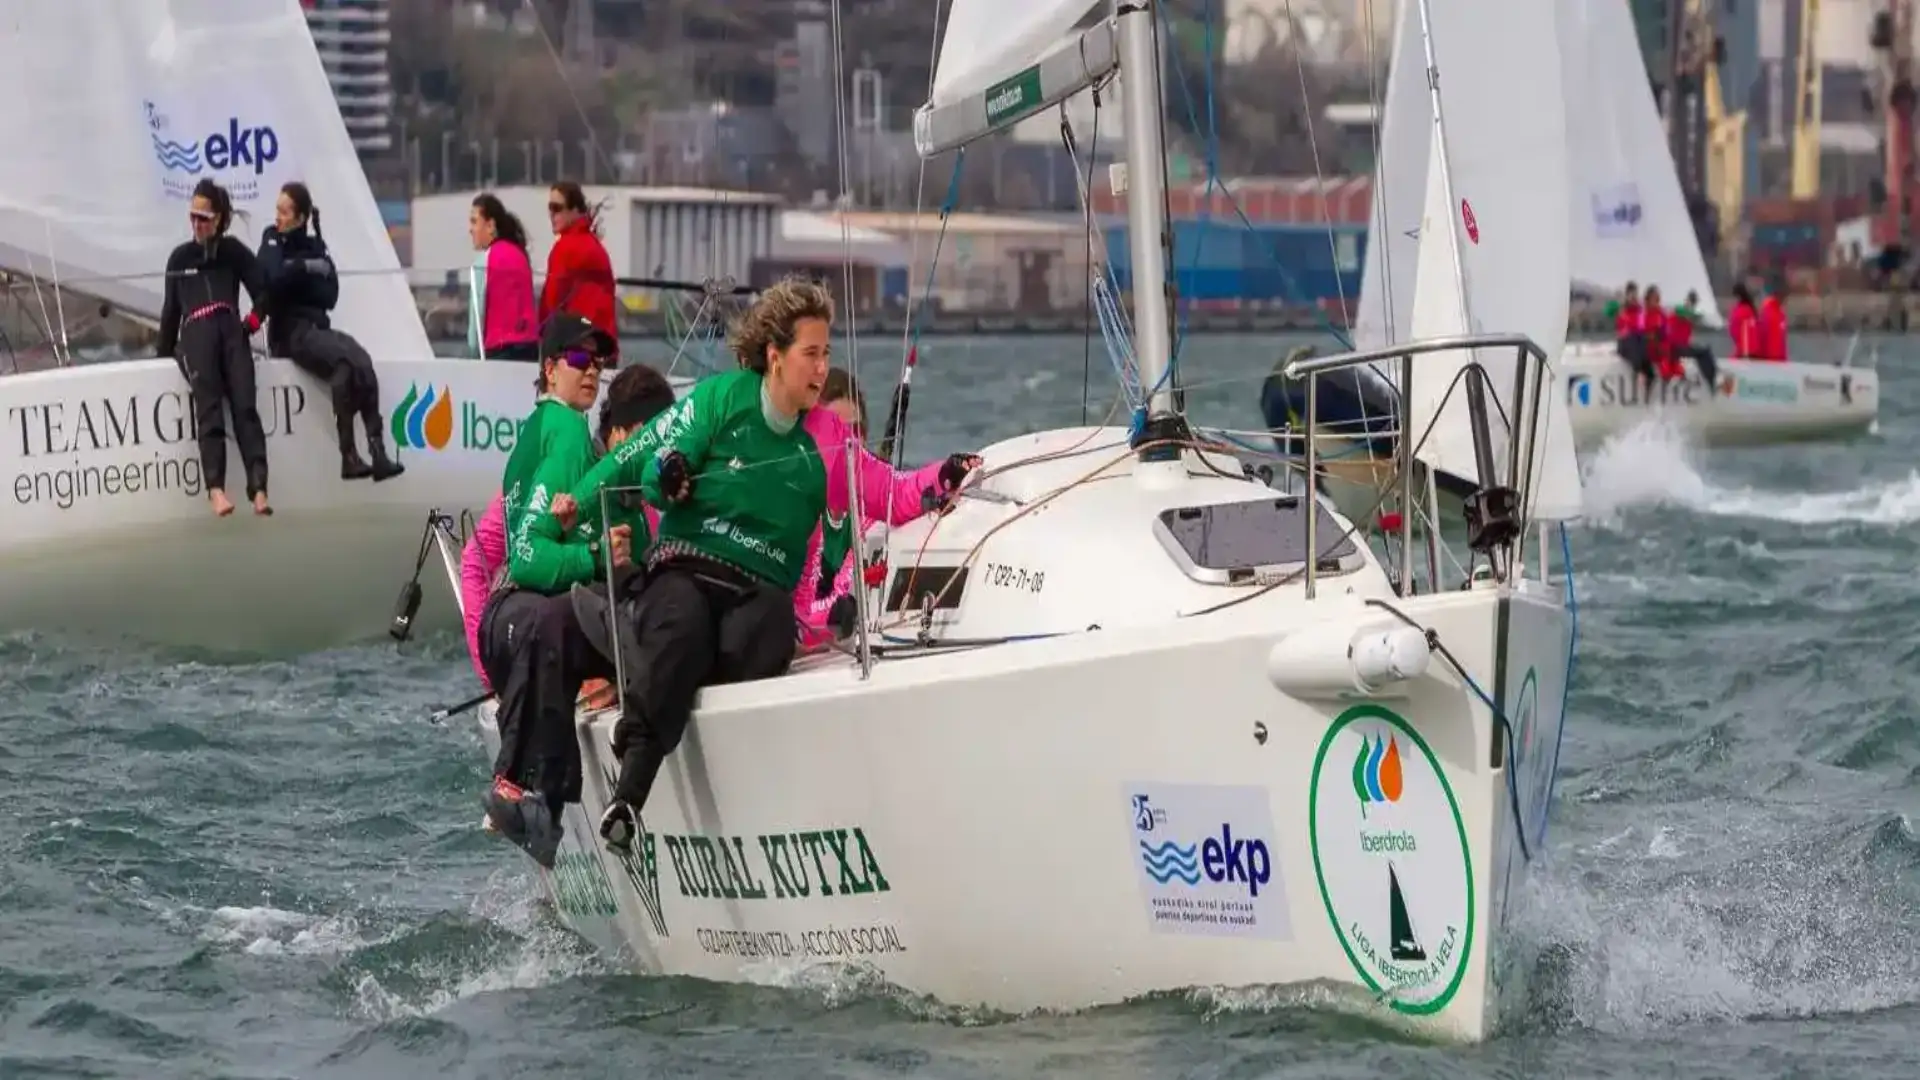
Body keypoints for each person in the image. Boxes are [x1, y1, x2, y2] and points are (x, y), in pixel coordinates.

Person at [593, 276, 838, 851]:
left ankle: (685, 714)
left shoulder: (810, 463)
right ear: (774, 356)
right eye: (811, 354)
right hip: (685, 571)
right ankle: (627, 798)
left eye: (827, 354)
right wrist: (670, 475)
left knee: (770, 625)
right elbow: (657, 468)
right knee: (684, 625)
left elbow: (798, 570)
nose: (822, 368)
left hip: (751, 593)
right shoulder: (723, 397)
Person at [474, 313, 628, 867]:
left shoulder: (532, 433)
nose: (592, 372)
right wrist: (595, 556)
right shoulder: (564, 430)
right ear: (549, 368)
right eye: (579, 359)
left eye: (600, 362)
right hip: (526, 617)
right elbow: (529, 556)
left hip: (505, 623)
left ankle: (530, 801)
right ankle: (533, 793)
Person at [459, 363, 675, 690]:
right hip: (541, 639)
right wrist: (490, 677)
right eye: (652, 441)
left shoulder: (646, 496)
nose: (660, 455)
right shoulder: (559, 471)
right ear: (620, 433)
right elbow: (478, 562)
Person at [797, 368, 977, 651]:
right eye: (837, 432)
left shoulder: (868, 516)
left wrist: (944, 477)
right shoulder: (798, 504)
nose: (849, 442)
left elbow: (899, 492)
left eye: (856, 430)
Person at [255, 182, 403, 482]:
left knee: (359, 361)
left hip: (316, 328)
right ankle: (350, 455)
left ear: (300, 218)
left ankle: (375, 452)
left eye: (284, 212)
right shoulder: (271, 238)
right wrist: (306, 269)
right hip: (289, 333)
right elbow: (272, 279)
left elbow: (330, 295)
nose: (277, 217)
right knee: (344, 362)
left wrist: (295, 274)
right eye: (277, 210)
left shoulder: (316, 245)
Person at [157, 177, 271, 517]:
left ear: (218, 219)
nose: (196, 224)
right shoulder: (179, 258)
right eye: (192, 217)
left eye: (203, 218)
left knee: (245, 408)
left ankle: (259, 488)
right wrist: (159, 358)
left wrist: (252, 323)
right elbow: (170, 314)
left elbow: (264, 292)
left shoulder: (233, 251)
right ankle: (216, 490)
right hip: (196, 333)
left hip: (231, 331)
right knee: (209, 411)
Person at [540, 181, 617, 356]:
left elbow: (552, 300)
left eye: (557, 208)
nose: (552, 214)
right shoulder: (594, 245)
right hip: (603, 341)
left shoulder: (565, 248)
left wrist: (543, 337)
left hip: (576, 343)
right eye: (550, 208)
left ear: (575, 211)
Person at [467, 193, 538, 361]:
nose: (470, 229)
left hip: (499, 349)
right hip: (529, 346)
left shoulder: (484, 262)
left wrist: (473, 353)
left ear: (490, 226)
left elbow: (477, 317)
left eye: (474, 222)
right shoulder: (521, 256)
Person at [1603, 282, 1653, 387]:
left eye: (1635, 294)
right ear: (1627, 295)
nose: (1634, 297)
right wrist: (1617, 304)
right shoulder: (1621, 308)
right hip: (1625, 344)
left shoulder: (1640, 310)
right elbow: (1607, 312)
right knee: (1632, 340)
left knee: (1643, 342)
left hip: (1637, 342)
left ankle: (1647, 374)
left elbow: (1642, 328)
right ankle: (1639, 371)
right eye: (1631, 295)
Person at [1667, 290, 1719, 385]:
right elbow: (1682, 311)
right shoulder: (1680, 311)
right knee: (1703, 352)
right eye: (1692, 302)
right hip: (1675, 347)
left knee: (1704, 351)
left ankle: (1710, 376)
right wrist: (1694, 314)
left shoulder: (1688, 317)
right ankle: (1710, 379)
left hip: (1682, 346)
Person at [1640, 286, 1679, 381]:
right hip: (1649, 346)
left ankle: (1673, 372)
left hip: (1662, 344)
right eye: (1653, 298)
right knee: (1660, 350)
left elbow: (1667, 330)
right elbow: (1639, 331)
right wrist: (1650, 335)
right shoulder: (1642, 314)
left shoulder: (1661, 314)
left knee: (1670, 348)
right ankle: (1665, 372)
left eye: (1657, 298)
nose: (1655, 301)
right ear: (1647, 299)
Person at [1758, 277, 1789, 361]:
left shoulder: (1781, 314)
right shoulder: (1767, 312)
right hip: (1769, 362)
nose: (1785, 299)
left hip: (1780, 361)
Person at [1728, 282, 1762, 358]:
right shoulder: (1750, 310)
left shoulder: (1740, 311)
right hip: (1753, 350)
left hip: (1745, 352)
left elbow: (1736, 331)